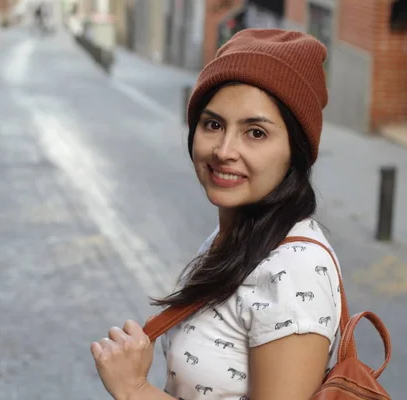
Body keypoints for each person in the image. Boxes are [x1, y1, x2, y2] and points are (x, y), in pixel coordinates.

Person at [90, 29, 342, 400]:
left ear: (296, 151)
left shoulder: (294, 270)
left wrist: (134, 390)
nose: (224, 150)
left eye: (255, 133)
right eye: (213, 125)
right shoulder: (236, 236)